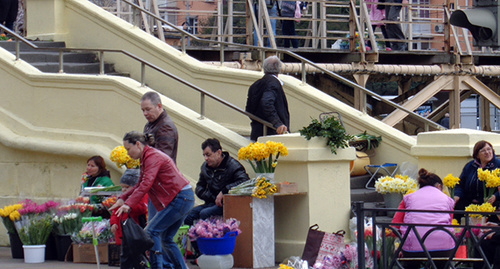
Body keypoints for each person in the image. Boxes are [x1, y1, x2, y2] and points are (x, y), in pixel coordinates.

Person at [110, 131, 194, 269]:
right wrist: (122, 199)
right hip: (183, 197)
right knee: (166, 239)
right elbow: (140, 183)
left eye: (128, 149)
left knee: (151, 232)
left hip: (180, 198)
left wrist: (129, 204)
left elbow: (145, 184)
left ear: (138, 144)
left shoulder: (152, 157)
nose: (127, 153)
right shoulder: (148, 156)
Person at [392, 168, 455, 269]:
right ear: (439, 186)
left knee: (411, 262)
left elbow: (395, 225)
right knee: (442, 263)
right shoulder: (448, 200)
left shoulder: (408, 198)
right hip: (443, 247)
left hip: (414, 247)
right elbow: (450, 223)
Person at [184, 138, 250, 225]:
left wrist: (224, 191)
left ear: (219, 153)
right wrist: (211, 196)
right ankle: (193, 237)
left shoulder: (233, 165)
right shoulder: (205, 167)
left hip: (227, 204)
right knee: (188, 216)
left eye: (208, 155)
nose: (206, 158)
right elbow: (199, 187)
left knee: (205, 214)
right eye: (204, 155)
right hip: (211, 202)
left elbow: (244, 181)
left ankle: (207, 237)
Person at [141, 91, 179, 224]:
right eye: (143, 110)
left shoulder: (165, 127)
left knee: (155, 229)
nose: (145, 113)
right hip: (157, 183)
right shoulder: (151, 125)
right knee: (155, 227)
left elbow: (163, 158)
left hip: (163, 184)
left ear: (159, 106)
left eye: (148, 109)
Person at [109, 169, 148, 268]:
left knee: (138, 255)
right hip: (124, 232)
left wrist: (129, 206)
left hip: (135, 232)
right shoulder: (122, 198)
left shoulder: (141, 196)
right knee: (125, 255)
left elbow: (142, 208)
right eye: (122, 187)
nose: (124, 190)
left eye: (127, 187)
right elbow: (115, 213)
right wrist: (113, 223)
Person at [245, 55, 290, 141]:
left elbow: (249, 109)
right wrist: (277, 123)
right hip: (272, 134)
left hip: (257, 131)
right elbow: (266, 102)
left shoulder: (255, 85)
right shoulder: (274, 84)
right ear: (279, 69)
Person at [454, 140, 500, 220]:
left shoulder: (498, 165)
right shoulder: (470, 166)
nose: (487, 152)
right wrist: (456, 195)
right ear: (477, 155)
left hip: (491, 203)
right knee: (457, 210)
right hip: (470, 203)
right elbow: (460, 184)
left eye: (489, 149)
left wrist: (496, 196)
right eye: (483, 151)